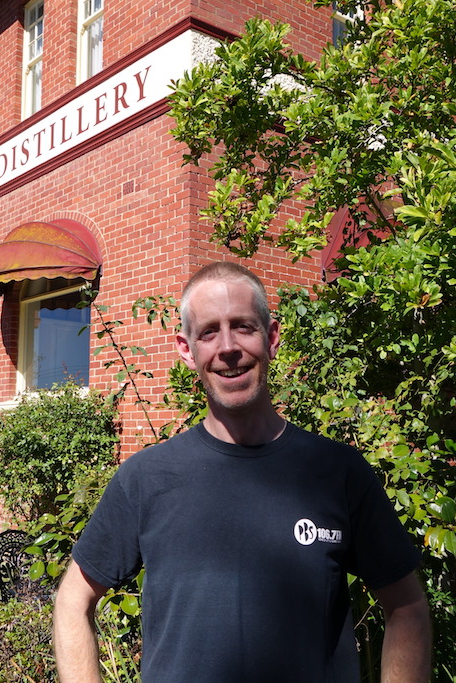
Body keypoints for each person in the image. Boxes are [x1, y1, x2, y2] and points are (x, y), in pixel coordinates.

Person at [53, 262, 431, 682]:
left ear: (271, 338)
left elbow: (407, 607)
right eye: (209, 332)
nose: (228, 347)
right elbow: (73, 599)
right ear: (186, 349)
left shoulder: (337, 472)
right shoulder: (146, 478)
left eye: (244, 327)